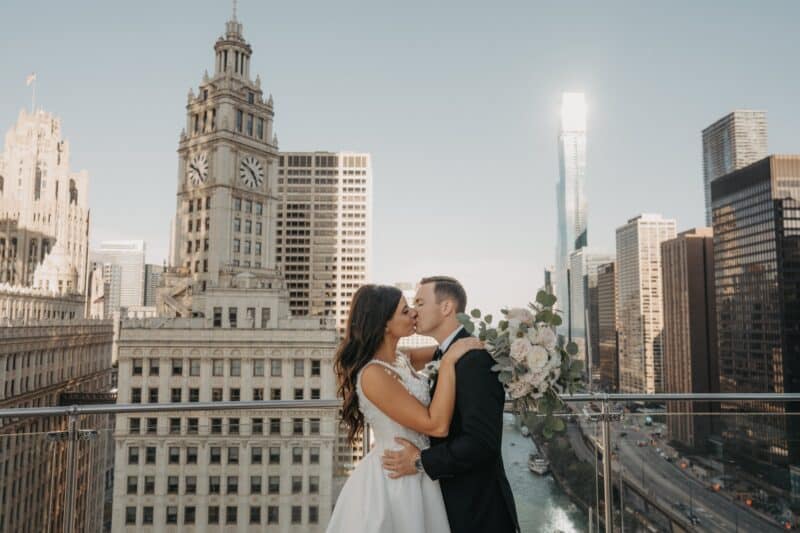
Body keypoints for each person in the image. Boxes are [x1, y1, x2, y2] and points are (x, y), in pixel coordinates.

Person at [326, 283, 482, 532]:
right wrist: (450, 362)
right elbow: (437, 425)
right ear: (385, 323)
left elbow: (450, 344)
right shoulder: (373, 374)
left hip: (418, 467)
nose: (414, 314)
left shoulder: (402, 358)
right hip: (395, 476)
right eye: (405, 311)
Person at [382, 276, 519, 533]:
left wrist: (420, 461)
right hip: (449, 505)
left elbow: (481, 443)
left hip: (477, 511)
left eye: (420, 303)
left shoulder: (474, 358)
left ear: (446, 308)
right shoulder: (444, 353)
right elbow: (394, 358)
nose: (414, 311)